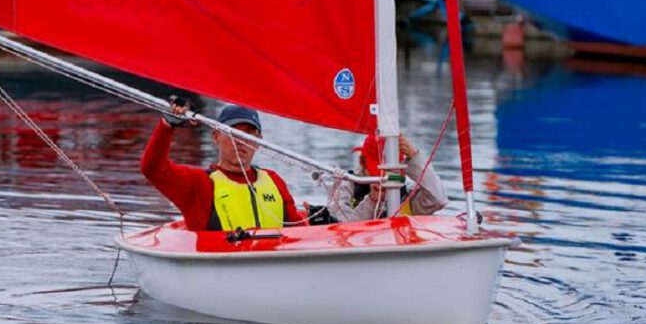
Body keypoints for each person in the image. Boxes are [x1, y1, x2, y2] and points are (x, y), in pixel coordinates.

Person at [140, 99, 306, 232]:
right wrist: (167, 126)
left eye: (248, 134)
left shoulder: (274, 181)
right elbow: (152, 169)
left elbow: (298, 231)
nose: (240, 142)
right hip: (223, 267)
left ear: (258, 142)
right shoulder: (198, 184)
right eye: (232, 133)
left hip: (272, 265)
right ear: (216, 136)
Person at [325, 133, 448, 222]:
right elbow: (342, 226)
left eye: (390, 172)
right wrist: (372, 201)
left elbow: (438, 200)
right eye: (378, 171)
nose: (383, 179)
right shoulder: (345, 187)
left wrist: (415, 157)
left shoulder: (408, 196)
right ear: (363, 163)